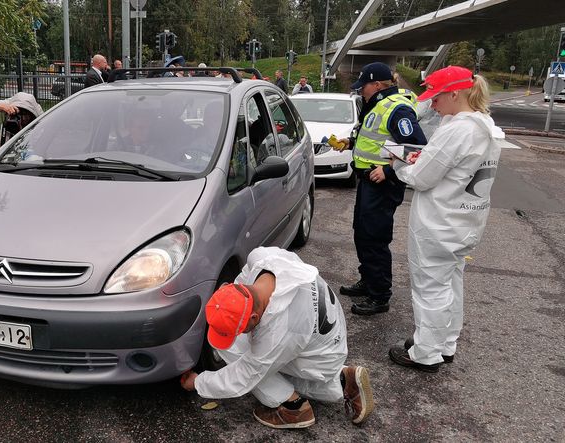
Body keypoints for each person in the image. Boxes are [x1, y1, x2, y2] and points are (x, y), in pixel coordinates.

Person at [387, 66, 503, 372]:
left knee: (429, 289)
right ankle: (444, 343)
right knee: (451, 283)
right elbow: (452, 168)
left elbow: (422, 178)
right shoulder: (484, 125)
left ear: (455, 93)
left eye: (436, 98)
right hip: (464, 221)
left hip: (438, 223)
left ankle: (425, 353)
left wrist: (399, 164)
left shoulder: (457, 130)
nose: (432, 104)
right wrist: (422, 158)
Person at [180, 247, 375, 429]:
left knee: (243, 358)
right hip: (324, 338)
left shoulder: (281, 329)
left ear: (254, 317)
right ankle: (343, 381)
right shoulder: (262, 258)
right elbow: (239, 284)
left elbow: (245, 375)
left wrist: (199, 383)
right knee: (256, 358)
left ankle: (294, 408)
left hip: (321, 356)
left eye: (241, 328)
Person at [332, 62, 427, 316]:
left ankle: (379, 295)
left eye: (362, 86)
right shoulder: (376, 104)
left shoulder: (397, 108)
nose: (360, 90)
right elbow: (374, 138)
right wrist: (349, 142)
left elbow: (417, 147)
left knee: (375, 238)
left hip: (383, 184)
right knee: (362, 233)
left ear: (376, 85)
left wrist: (388, 170)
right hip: (367, 181)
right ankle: (369, 280)